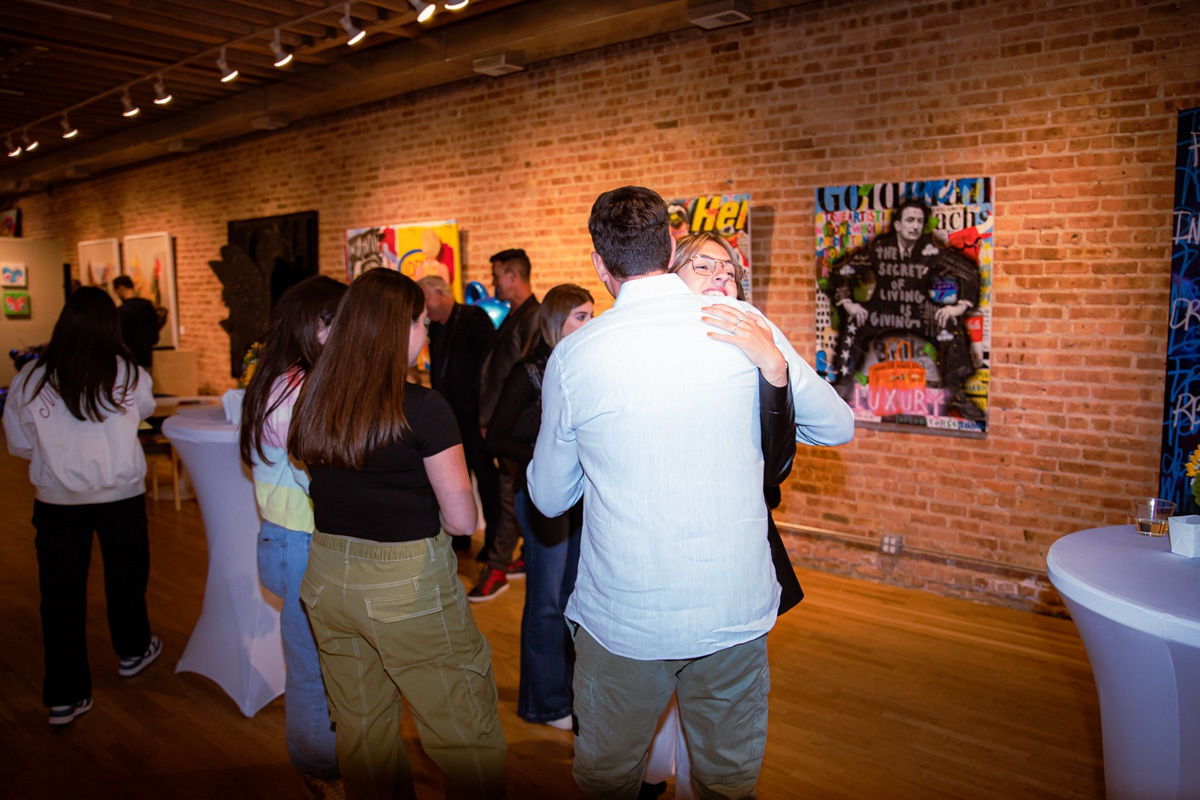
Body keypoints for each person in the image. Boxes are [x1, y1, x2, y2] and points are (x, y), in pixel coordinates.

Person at [527, 186, 854, 798]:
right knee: (725, 783)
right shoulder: (742, 325)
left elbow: (548, 499)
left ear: (600, 266)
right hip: (732, 608)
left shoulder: (575, 356)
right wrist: (773, 368)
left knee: (608, 780)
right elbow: (837, 425)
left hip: (625, 617)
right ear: (672, 246)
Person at [288, 268, 506, 800]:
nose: (426, 331)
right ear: (393, 330)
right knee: (464, 732)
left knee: (363, 731)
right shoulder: (424, 408)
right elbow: (461, 522)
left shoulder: (314, 396)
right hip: (406, 588)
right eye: (419, 322)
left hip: (328, 579)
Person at [643, 232, 807, 798]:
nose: (719, 275)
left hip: (726, 557)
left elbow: (777, 464)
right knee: (656, 688)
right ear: (669, 278)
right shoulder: (639, 347)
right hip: (651, 554)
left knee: (715, 703)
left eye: (729, 271)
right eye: (702, 265)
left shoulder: (753, 351)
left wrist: (774, 369)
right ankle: (652, 775)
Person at [3, 287, 161, 727]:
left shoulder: (30, 380)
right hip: (120, 499)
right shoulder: (130, 374)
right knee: (126, 579)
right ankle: (132, 649)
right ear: (112, 326)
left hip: (57, 503)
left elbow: (18, 444)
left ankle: (64, 696)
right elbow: (143, 413)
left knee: (60, 599)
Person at [239, 275, 345, 796]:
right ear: (317, 326)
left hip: (291, 538)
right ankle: (320, 769)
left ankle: (326, 761)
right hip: (299, 540)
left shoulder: (279, 379)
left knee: (316, 661)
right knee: (310, 666)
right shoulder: (298, 388)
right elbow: (319, 472)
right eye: (340, 320)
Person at [485, 284, 594, 731]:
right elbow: (494, 437)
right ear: (555, 323)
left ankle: (568, 691)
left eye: (592, 315)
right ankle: (545, 703)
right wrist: (544, 452)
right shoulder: (529, 371)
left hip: (582, 497)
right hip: (539, 498)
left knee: (574, 599)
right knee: (547, 601)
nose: (590, 324)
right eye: (580, 317)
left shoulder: (589, 366)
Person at [827, 197, 982, 420]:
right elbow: (842, 271)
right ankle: (844, 383)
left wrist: (960, 306)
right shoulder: (881, 247)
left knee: (948, 323)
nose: (915, 226)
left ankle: (955, 390)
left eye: (919, 221)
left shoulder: (929, 249)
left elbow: (968, 272)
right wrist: (847, 302)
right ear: (898, 225)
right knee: (854, 321)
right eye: (910, 220)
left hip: (918, 310)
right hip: (882, 309)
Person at [471, 248, 541, 600]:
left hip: (513, 428)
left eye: (497, 275)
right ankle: (521, 557)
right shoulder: (515, 315)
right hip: (503, 426)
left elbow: (524, 380)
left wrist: (497, 423)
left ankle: (496, 568)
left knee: (508, 495)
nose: (493, 282)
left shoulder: (533, 317)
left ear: (513, 276)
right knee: (512, 495)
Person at [418, 275, 501, 554]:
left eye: (426, 301)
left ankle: (493, 542)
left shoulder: (473, 317)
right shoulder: (437, 328)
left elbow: (492, 366)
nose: (425, 309)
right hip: (450, 419)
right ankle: (460, 538)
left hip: (476, 417)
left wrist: (486, 415)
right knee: (456, 479)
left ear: (442, 294)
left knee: (486, 479)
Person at [112, 275, 160, 370]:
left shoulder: (121, 311)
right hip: (146, 357)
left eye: (116, 291)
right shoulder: (147, 306)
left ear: (121, 288)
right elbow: (154, 336)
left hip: (129, 360)